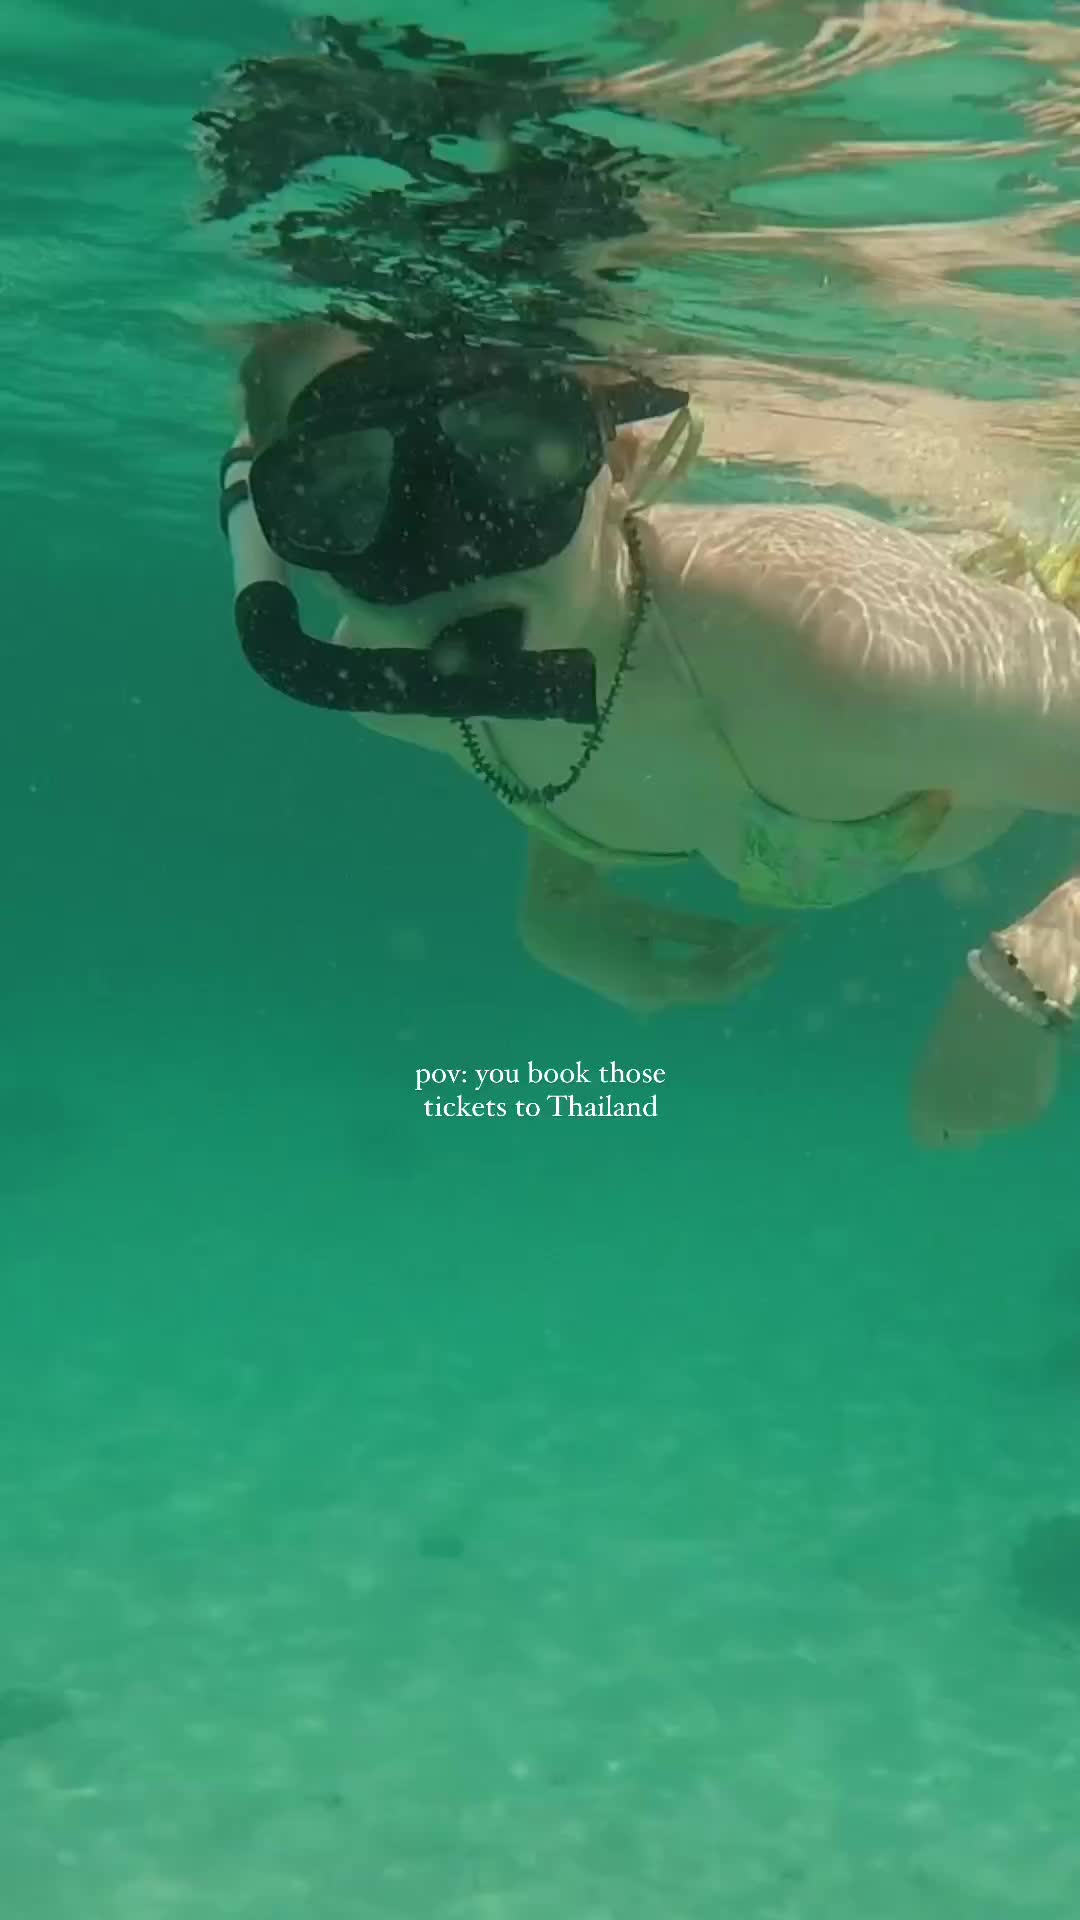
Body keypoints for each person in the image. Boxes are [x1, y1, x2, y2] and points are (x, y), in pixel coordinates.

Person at [218, 316, 1080, 1149]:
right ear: (281, 528)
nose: (446, 552)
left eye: (506, 456)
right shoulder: (393, 689)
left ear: (617, 460)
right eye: (345, 489)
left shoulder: (839, 658)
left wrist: (1032, 979)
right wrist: (557, 907)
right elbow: (596, 703)